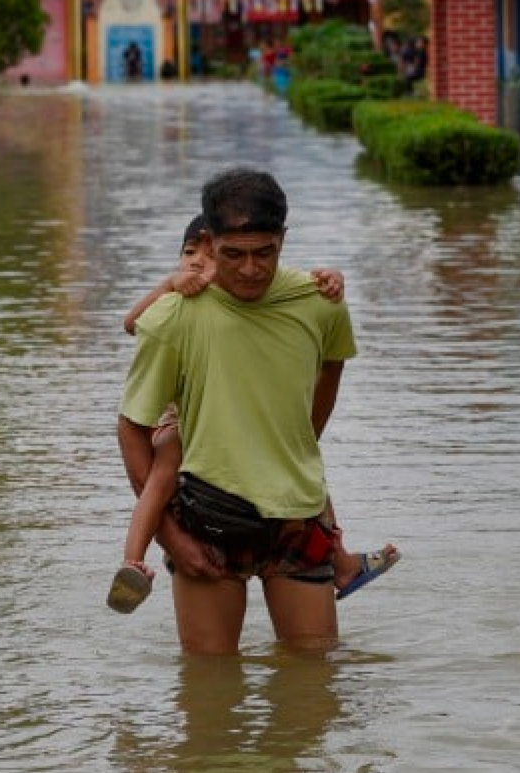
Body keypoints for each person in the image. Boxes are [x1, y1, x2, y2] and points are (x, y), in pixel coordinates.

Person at [116, 168, 396, 654]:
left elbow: (332, 366)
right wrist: (171, 538)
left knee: (313, 680)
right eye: (233, 255)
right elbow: (132, 428)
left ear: (283, 239)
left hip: (299, 515)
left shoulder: (320, 303)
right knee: (209, 684)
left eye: (264, 253)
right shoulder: (172, 318)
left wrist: (297, 441)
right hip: (207, 518)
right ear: (209, 242)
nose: (250, 269)